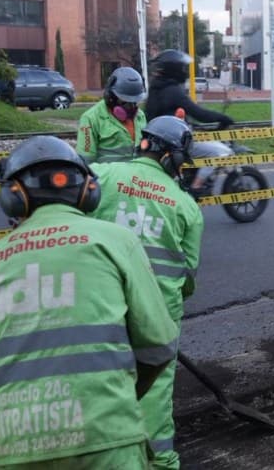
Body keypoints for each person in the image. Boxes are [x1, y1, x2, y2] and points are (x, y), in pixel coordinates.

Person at [0, 136, 178, 469]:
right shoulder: (115, 240)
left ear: (13, 197)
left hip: (10, 445)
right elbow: (158, 345)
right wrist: (117, 393)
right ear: (88, 191)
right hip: (104, 433)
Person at [89, 116, 204, 469]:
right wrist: (163, 308)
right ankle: (160, 462)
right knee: (153, 390)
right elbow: (187, 276)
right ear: (172, 157)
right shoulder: (186, 207)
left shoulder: (103, 176)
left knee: (100, 380)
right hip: (157, 313)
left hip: (101, 303)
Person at [145, 50, 234, 195]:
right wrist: (223, 118)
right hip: (176, 145)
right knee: (219, 152)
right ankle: (196, 186)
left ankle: (191, 177)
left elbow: (171, 114)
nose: (184, 71)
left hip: (161, 143)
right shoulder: (173, 91)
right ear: (174, 69)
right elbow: (199, 113)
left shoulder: (157, 88)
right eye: (182, 68)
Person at [78, 66, 148, 163]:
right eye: (125, 101)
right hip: (108, 177)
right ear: (110, 96)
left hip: (135, 176)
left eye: (134, 102)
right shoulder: (90, 118)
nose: (131, 107)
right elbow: (86, 160)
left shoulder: (140, 116)